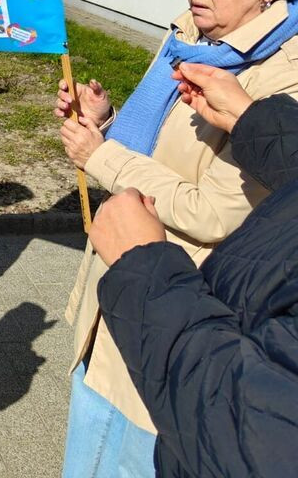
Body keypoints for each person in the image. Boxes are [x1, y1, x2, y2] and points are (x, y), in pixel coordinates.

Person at [54, 0, 298, 477]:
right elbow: (167, 147)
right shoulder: (193, 36)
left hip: (182, 321)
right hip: (130, 294)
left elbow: (215, 212)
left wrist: (100, 156)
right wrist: (107, 122)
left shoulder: (282, 80)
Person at [89, 61, 298, 478]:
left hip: (169, 351)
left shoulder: (286, 68)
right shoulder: (190, 45)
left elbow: (257, 437)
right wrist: (251, 119)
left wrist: (146, 272)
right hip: (159, 345)